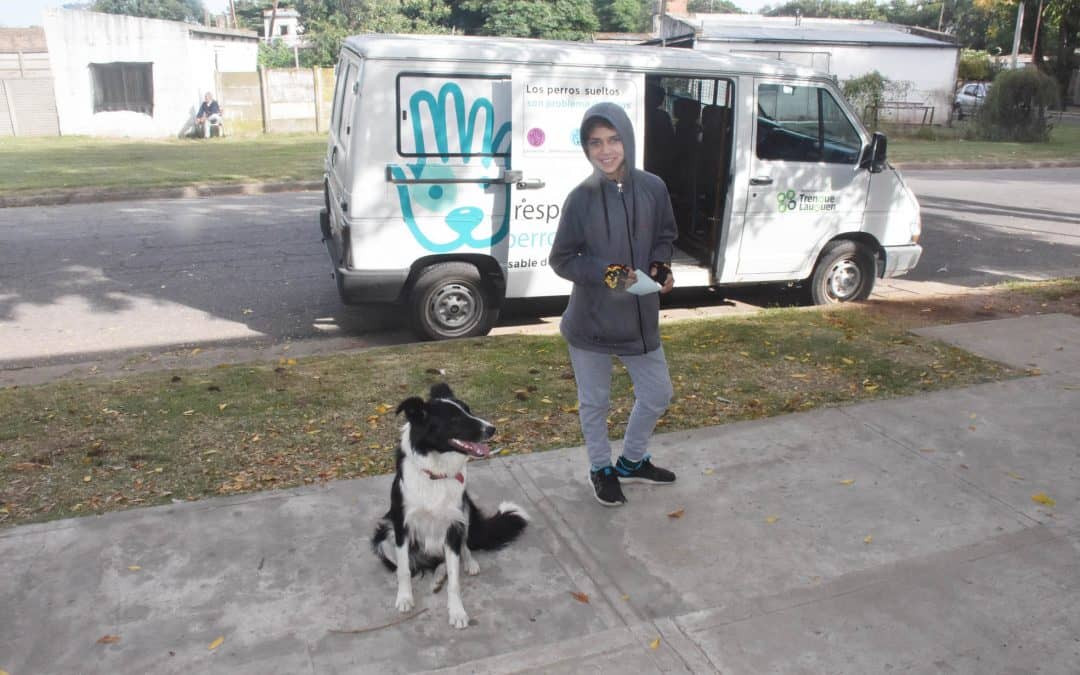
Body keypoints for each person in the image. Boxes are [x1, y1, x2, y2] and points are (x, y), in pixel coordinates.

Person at [549, 102, 678, 507]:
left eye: (613, 139)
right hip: (590, 324)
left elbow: (664, 235)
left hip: (640, 322)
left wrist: (659, 270)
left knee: (658, 394)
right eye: (595, 143)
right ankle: (601, 468)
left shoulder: (654, 187)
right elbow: (562, 259)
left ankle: (632, 461)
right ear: (586, 149)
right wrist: (614, 275)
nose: (605, 150)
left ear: (628, 138)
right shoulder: (580, 199)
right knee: (595, 402)